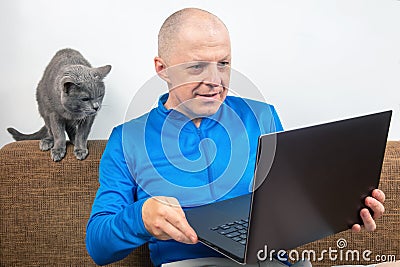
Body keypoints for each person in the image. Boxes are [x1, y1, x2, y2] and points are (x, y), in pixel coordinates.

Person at [86, 8, 386, 267]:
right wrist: (141, 217)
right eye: (196, 66)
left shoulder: (263, 117)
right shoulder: (127, 140)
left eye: (224, 64)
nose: (215, 82)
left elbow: (292, 202)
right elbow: (98, 247)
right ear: (162, 68)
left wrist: (343, 206)